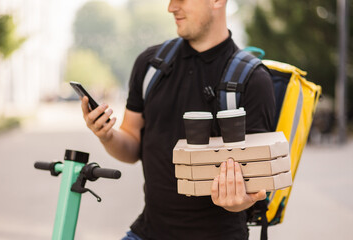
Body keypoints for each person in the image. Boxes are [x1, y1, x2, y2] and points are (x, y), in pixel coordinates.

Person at [81, 0, 275, 239]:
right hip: (147, 232)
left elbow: (254, 191)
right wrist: (107, 135)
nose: (171, 7)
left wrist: (236, 201)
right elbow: (132, 145)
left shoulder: (254, 79)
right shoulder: (150, 64)